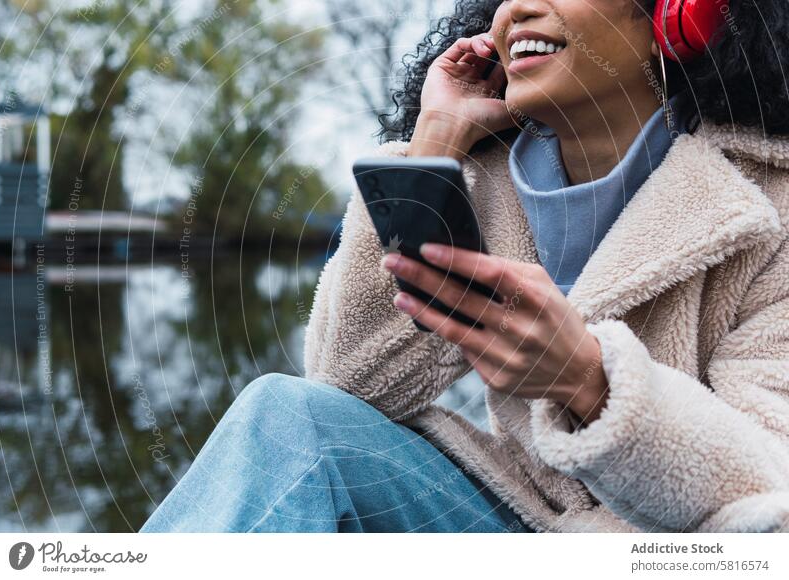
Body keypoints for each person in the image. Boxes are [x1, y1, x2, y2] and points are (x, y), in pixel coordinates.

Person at [142, 0, 789, 532]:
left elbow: (770, 488)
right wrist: (436, 141)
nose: (519, 10)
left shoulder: (771, 202)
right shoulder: (481, 177)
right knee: (288, 417)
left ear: (678, 17)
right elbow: (351, 383)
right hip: (514, 520)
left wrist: (591, 383)